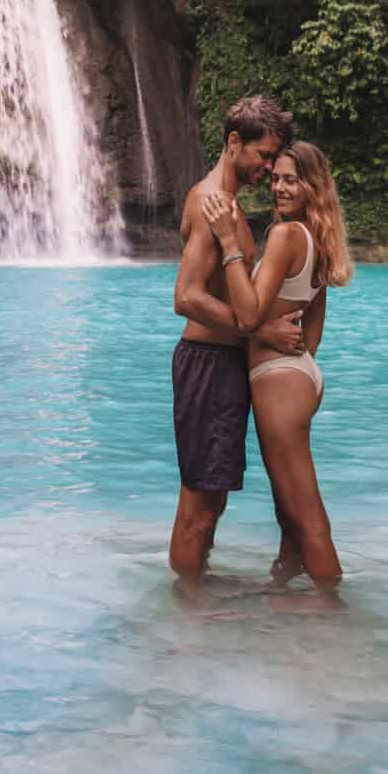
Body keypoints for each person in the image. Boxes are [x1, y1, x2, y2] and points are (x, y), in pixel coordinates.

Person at [201, 141, 353, 604]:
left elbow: (247, 315)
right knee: (290, 510)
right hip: (300, 376)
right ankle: (286, 582)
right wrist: (277, 340)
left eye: (291, 179)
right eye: (276, 178)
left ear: (312, 186)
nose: (280, 187)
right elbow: (314, 334)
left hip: (277, 383)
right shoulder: (319, 239)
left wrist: (229, 242)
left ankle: (333, 611)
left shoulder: (287, 236)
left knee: (306, 514)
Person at [169, 95, 304, 591]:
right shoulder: (212, 204)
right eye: (263, 156)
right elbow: (186, 297)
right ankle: (186, 610)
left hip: (220, 362)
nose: (268, 168)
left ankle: (196, 592)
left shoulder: (224, 204)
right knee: (199, 507)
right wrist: (261, 330)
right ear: (233, 143)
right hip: (207, 363)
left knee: (212, 499)